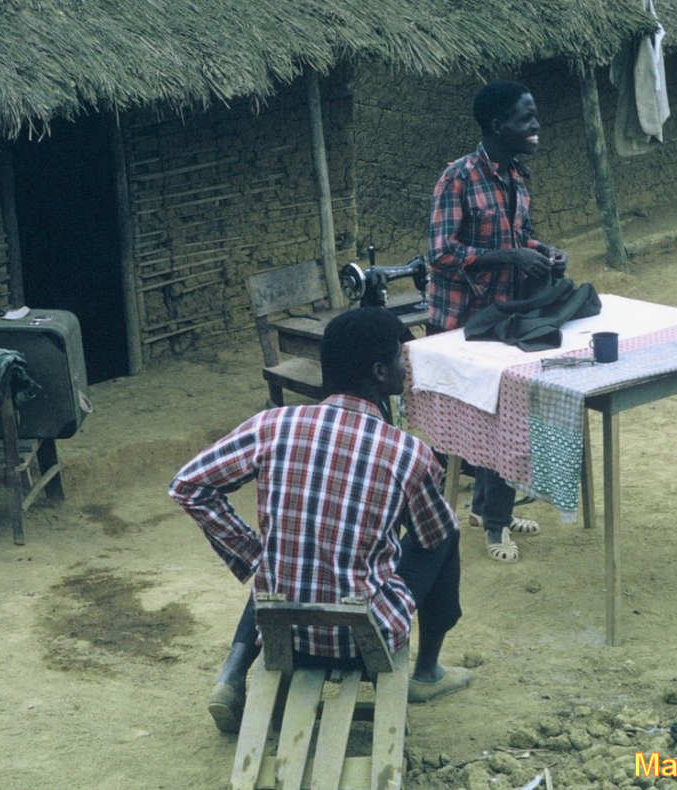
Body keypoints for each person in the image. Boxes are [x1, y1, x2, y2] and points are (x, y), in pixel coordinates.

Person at [170, 307, 472, 734]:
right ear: (380, 372)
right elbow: (432, 535)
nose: (406, 369)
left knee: (283, 558)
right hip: (362, 641)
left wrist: (254, 555)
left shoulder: (271, 425)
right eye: (400, 360)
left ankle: (233, 670)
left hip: (283, 633)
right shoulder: (408, 453)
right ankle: (427, 672)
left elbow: (188, 485)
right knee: (445, 532)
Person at [427, 79, 565, 563]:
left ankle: (489, 511)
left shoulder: (516, 177)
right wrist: (508, 256)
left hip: (502, 319)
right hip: (461, 324)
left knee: (506, 416)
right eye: (526, 118)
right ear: (497, 125)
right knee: (486, 423)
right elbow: (440, 254)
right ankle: (493, 526)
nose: (536, 125)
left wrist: (544, 252)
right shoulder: (457, 178)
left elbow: (520, 236)